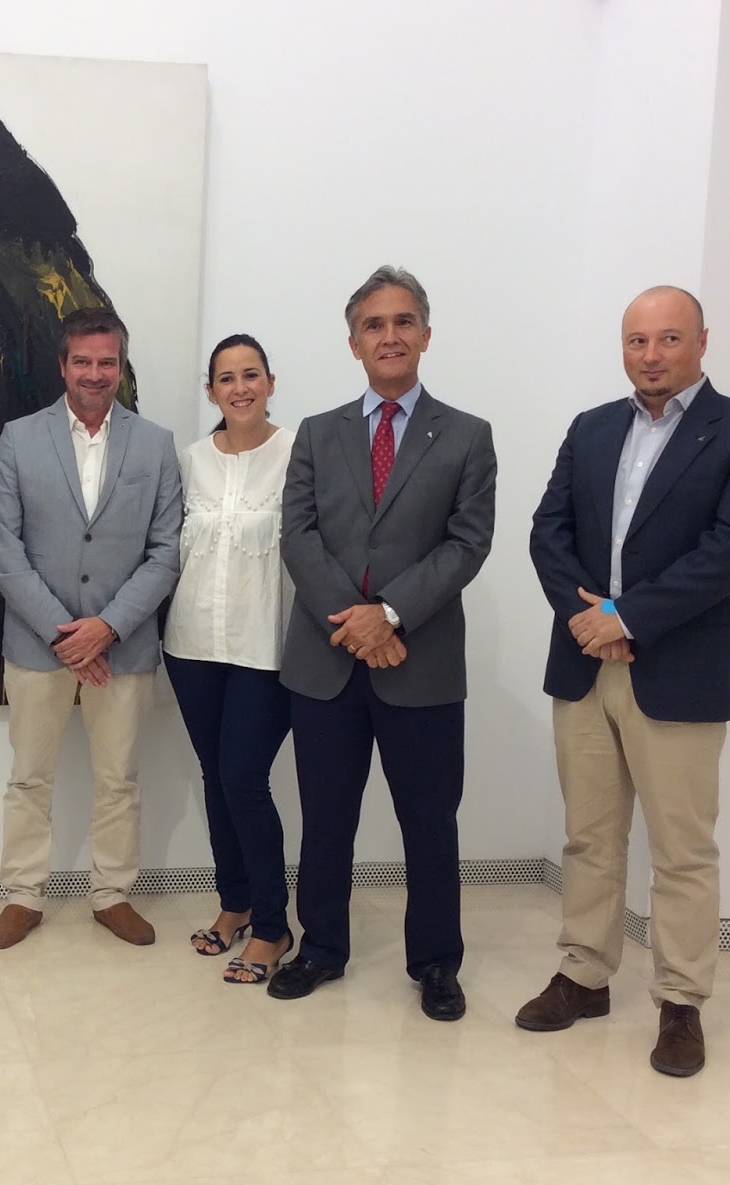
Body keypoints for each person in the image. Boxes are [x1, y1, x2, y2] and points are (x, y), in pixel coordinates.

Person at [516, 286, 730, 1076]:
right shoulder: (592, 428)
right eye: (638, 340)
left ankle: (680, 1002)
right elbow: (548, 530)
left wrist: (629, 618)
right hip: (584, 665)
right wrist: (587, 619)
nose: (652, 354)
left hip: (676, 671)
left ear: (701, 341)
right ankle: (584, 974)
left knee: (682, 850)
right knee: (590, 835)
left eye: (669, 338)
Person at [271, 266, 496, 1019]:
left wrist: (390, 615)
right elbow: (298, 535)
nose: (389, 336)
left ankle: (435, 963)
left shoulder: (467, 435)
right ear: (354, 343)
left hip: (420, 664)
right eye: (374, 324)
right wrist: (357, 622)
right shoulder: (316, 432)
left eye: (403, 322)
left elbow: (467, 543)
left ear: (425, 335)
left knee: (429, 824)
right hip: (326, 662)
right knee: (325, 818)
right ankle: (321, 948)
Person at [0, 306, 183, 949]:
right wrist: (66, 634)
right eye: (83, 362)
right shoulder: (18, 439)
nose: (95, 374)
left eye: (107, 362)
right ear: (63, 365)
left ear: (121, 367)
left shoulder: (155, 445)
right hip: (37, 646)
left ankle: (112, 894)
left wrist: (109, 628)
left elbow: (166, 551)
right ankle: (22, 896)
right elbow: (4, 553)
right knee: (29, 778)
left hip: (123, 648)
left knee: (119, 779)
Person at [164, 334, 296, 984]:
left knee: (244, 778)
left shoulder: (298, 454)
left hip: (264, 648)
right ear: (211, 390)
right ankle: (235, 904)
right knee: (216, 778)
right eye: (226, 378)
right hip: (190, 645)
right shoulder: (190, 461)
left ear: (270, 382)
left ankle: (273, 926)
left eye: (251, 375)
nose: (239, 388)